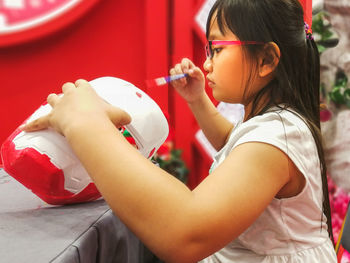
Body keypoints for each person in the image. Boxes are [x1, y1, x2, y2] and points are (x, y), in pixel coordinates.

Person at [22, 0, 337, 262]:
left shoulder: (278, 135)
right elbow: (234, 144)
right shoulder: (273, 126)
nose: (208, 63)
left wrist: (86, 125)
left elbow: (185, 233)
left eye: (216, 48)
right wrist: (198, 100)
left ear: (267, 59)